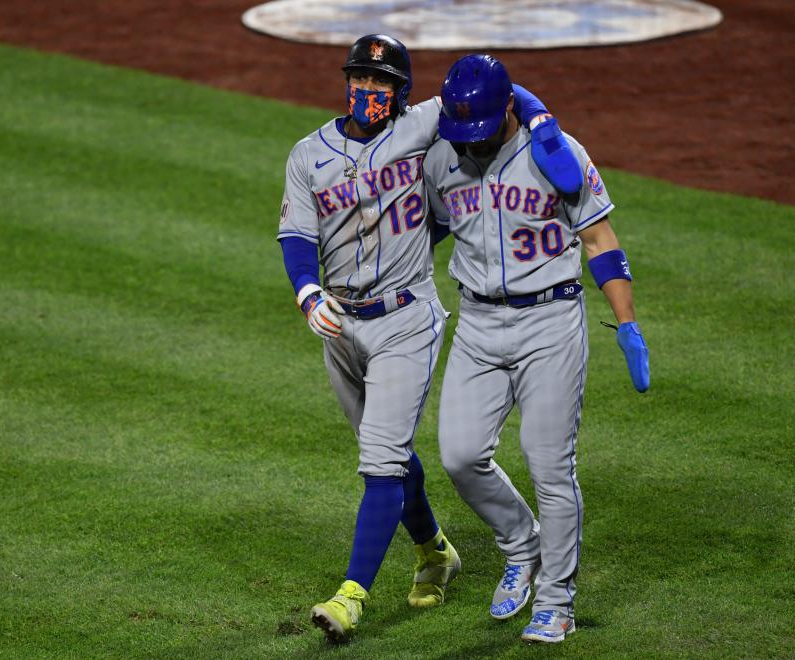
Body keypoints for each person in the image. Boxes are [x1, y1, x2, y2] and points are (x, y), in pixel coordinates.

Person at [277, 35, 583, 642]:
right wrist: (308, 291)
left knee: (381, 458)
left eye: (380, 83)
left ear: (402, 93)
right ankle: (436, 551)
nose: (368, 91)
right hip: (340, 322)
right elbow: (295, 234)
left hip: (407, 317)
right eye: (360, 80)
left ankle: (351, 596)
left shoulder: (423, 124)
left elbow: (500, 93)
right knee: (383, 447)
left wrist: (543, 118)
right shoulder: (307, 153)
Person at [422, 54, 650, 644]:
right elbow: (437, 227)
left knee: (550, 466)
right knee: (459, 456)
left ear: (506, 112)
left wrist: (626, 324)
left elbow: (599, 237)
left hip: (550, 319)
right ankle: (521, 548)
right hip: (476, 322)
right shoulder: (443, 155)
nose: (469, 143)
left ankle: (557, 600)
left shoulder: (557, 153)